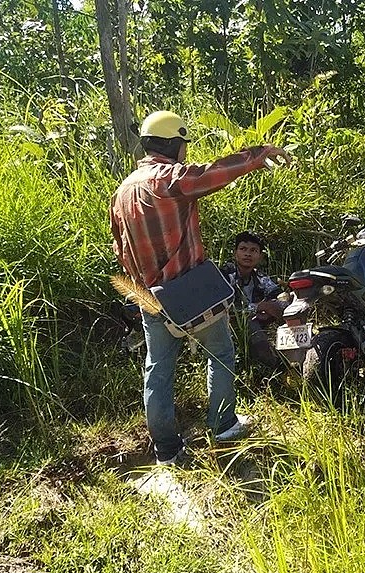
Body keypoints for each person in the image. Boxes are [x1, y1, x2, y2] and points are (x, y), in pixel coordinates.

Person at [109, 110, 290, 465]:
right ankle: (222, 425)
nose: (185, 153)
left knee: (158, 369)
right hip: (192, 292)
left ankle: (166, 450)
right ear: (175, 144)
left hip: (150, 297)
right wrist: (257, 154)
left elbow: (120, 249)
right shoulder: (167, 179)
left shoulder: (122, 191)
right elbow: (211, 175)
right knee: (220, 353)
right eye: (183, 145)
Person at [221, 232, 288, 370]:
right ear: (235, 253)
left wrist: (273, 308)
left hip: (257, 319)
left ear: (260, 256)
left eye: (253, 250)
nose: (248, 254)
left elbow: (280, 296)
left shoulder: (259, 277)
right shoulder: (226, 275)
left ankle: (295, 356)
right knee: (251, 324)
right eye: (243, 249)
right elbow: (223, 307)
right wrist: (258, 307)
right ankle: (275, 367)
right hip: (227, 324)